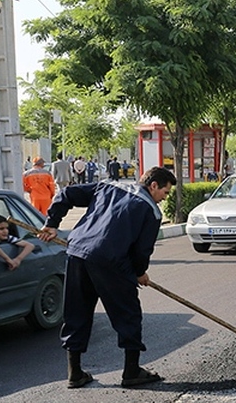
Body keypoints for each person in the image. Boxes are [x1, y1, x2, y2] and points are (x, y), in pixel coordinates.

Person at [39, 166, 177, 389]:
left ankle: (74, 373)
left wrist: (52, 223)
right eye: (165, 192)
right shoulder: (150, 211)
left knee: (77, 310)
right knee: (128, 313)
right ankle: (131, 371)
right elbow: (142, 251)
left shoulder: (107, 186)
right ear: (154, 185)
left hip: (78, 252)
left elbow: (66, 194)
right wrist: (139, 272)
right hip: (110, 261)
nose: (164, 198)